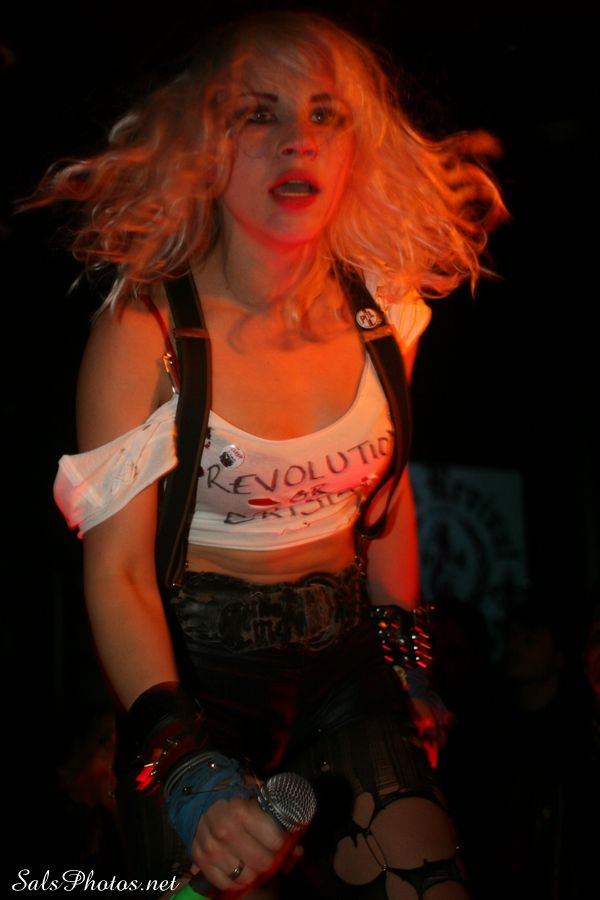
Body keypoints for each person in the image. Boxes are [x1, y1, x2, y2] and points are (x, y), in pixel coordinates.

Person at [34, 10, 506, 898]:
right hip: (196, 674)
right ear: (204, 147)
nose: (299, 141)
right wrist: (184, 766)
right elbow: (120, 575)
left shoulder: (386, 311)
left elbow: (385, 507)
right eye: (261, 113)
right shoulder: (143, 332)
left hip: (345, 662)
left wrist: (409, 669)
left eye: (325, 114)